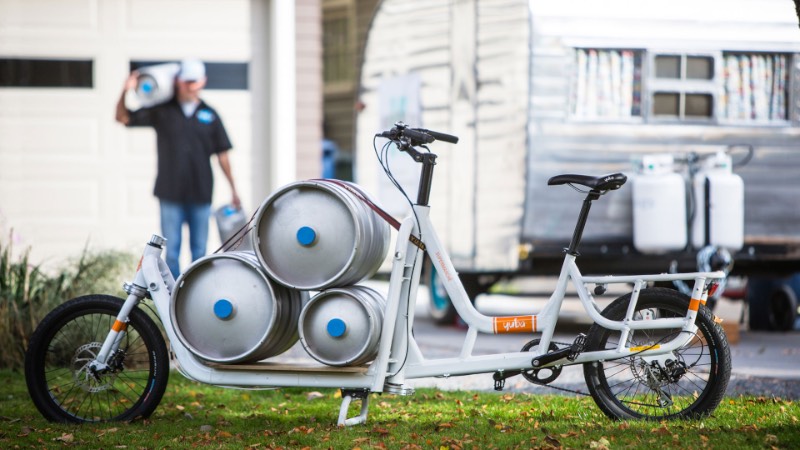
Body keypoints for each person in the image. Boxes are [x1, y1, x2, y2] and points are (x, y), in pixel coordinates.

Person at [115, 58, 240, 277]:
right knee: (171, 251)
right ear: (177, 82)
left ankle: (195, 297)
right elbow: (122, 118)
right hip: (170, 192)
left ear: (203, 82)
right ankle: (172, 299)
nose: (190, 86)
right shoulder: (162, 110)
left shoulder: (210, 115)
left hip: (200, 192)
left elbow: (222, 155)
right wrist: (125, 91)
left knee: (199, 251)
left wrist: (233, 190)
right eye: (186, 81)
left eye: (194, 81)